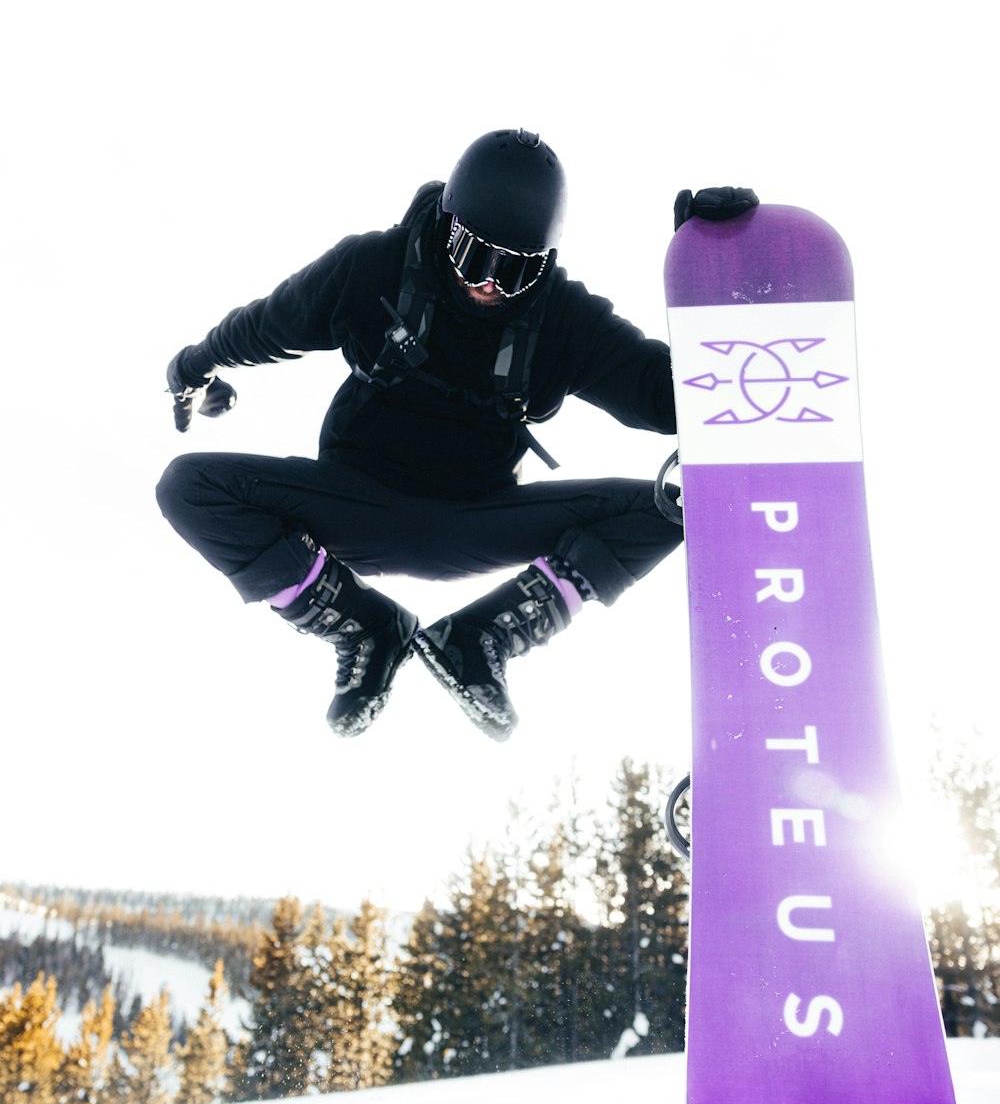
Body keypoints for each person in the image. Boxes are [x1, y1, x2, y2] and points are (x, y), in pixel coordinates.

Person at [157, 128, 756, 740]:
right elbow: (265, 326)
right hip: (356, 504)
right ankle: (365, 627)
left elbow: (681, 400)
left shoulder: (565, 320)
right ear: (446, 228)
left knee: (687, 504)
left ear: (542, 266)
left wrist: (716, 272)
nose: (489, 283)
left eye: (516, 270)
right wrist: (193, 367)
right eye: (475, 257)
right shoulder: (371, 269)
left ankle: (480, 639)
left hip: (477, 518)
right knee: (187, 486)